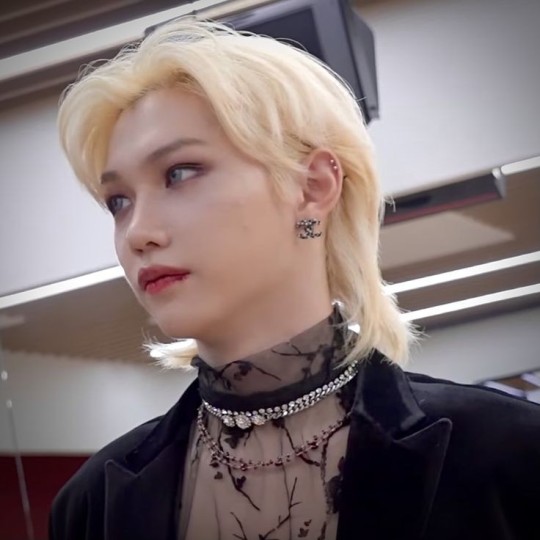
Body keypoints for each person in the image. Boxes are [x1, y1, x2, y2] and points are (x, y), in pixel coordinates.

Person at [49, 18, 540, 540]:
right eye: (118, 202)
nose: (138, 233)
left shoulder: (506, 454)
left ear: (313, 187)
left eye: (180, 173)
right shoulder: (93, 507)